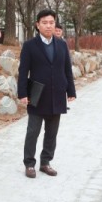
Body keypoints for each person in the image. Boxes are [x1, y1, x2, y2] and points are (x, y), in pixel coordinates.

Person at [17, 9, 76, 179]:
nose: (48, 26)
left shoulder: (62, 45)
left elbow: (67, 69)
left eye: (51, 22)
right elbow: (23, 72)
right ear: (37, 25)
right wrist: (22, 93)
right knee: (32, 131)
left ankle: (45, 162)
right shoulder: (29, 46)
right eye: (44, 22)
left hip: (56, 94)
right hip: (37, 95)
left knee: (52, 132)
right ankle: (29, 164)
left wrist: (70, 91)